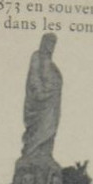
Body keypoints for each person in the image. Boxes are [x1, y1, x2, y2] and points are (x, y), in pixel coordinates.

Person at [21, 32, 63, 160]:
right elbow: (33, 77)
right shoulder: (37, 56)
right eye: (49, 43)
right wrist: (39, 92)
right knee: (38, 128)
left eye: (53, 44)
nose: (51, 46)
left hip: (51, 104)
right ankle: (32, 153)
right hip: (39, 103)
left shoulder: (52, 64)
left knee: (50, 129)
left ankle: (45, 153)